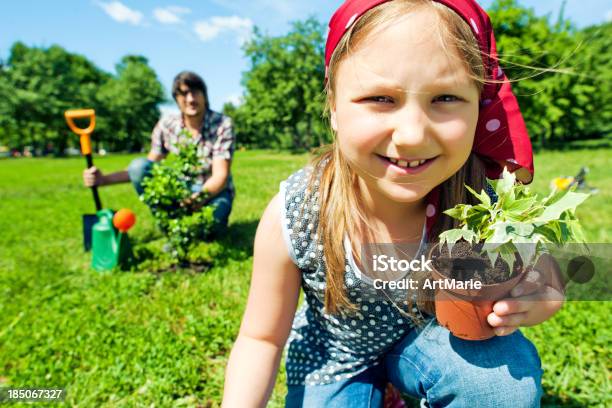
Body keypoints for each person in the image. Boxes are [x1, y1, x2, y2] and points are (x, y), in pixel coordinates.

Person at [223, 0, 564, 406]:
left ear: (481, 103)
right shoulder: (297, 212)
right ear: (333, 105)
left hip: (434, 341)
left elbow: (544, 272)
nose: (412, 135)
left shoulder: (482, 202)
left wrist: (541, 296)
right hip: (335, 357)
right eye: (381, 98)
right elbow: (261, 338)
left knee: (499, 384)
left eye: (445, 98)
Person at [83, 71, 235, 233]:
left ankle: (200, 227)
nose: (190, 99)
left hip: (214, 193)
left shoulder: (222, 124)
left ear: (204, 95)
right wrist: (104, 179)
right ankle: (170, 228)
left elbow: (220, 176)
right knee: (138, 166)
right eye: (183, 93)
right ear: (176, 98)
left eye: (195, 92)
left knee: (210, 229)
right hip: (182, 189)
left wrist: (193, 202)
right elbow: (143, 169)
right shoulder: (167, 125)